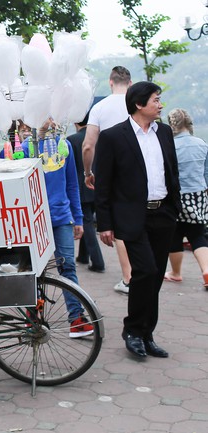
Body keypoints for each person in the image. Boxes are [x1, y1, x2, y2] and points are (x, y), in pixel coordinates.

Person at [95, 81, 180, 359]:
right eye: (156, 100)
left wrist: (175, 207)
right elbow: (104, 183)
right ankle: (132, 330)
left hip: (163, 214)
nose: (160, 104)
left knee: (155, 277)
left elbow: (172, 172)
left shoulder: (164, 132)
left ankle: (146, 333)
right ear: (139, 104)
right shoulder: (113, 137)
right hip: (132, 216)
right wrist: (104, 223)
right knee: (144, 270)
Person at [0, 120, 95, 339]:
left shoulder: (65, 146)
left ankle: (76, 319)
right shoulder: (23, 148)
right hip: (33, 218)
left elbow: (72, 184)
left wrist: (77, 217)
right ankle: (32, 318)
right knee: (31, 270)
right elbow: (11, 175)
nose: (50, 121)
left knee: (68, 267)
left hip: (61, 217)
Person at [82, 66, 133, 294]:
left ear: (110, 82)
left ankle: (128, 277)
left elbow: (88, 145)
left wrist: (88, 172)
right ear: (130, 83)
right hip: (140, 170)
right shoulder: (137, 104)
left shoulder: (100, 108)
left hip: (111, 171)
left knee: (119, 224)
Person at [163, 108, 208, 288]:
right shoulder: (202, 144)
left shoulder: (170, 146)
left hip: (176, 196)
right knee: (198, 234)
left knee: (175, 234)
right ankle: (206, 269)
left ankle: (176, 273)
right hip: (198, 195)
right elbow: (206, 174)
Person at [69, 112, 105, 273]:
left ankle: (98, 261)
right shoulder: (98, 138)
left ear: (76, 123)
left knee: (87, 222)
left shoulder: (71, 140)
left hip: (81, 185)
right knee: (88, 220)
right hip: (99, 184)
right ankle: (83, 256)